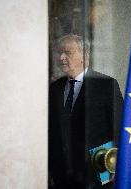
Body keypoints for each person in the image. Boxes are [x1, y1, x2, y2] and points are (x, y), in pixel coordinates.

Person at [49, 34, 123, 189]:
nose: (61, 57)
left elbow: (118, 129)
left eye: (67, 53)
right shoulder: (55, 88)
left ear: (84, 56)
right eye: (60, 53)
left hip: (96, 173)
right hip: (62, 175)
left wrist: (113, 170)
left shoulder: (106, 85)